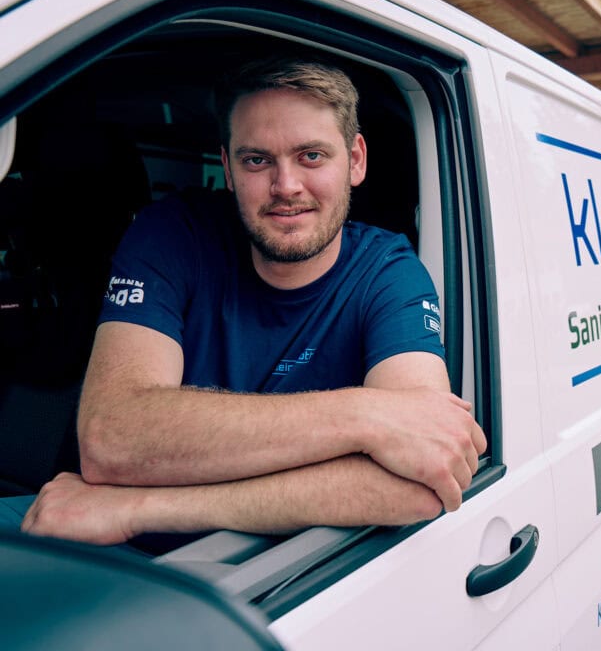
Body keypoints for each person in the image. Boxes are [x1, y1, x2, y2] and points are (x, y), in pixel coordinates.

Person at [17, 58, 486, 547]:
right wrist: (370, 418)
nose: (286, 187)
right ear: (228, 166)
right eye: (257, 160)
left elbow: (417, 485)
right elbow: (110, 439)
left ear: (356, 160)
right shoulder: (173, 235)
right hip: (86, 539)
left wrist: (138, 507)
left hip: (255, 578)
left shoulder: (388, 272)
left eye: (311, 156)